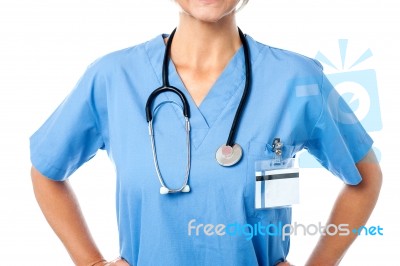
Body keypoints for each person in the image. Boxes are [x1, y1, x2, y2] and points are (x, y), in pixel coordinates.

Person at [30, 0, 382, 265]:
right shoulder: (112, 77)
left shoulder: (298, 78)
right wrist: (91, 262)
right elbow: (46, 171)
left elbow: (365, 178)